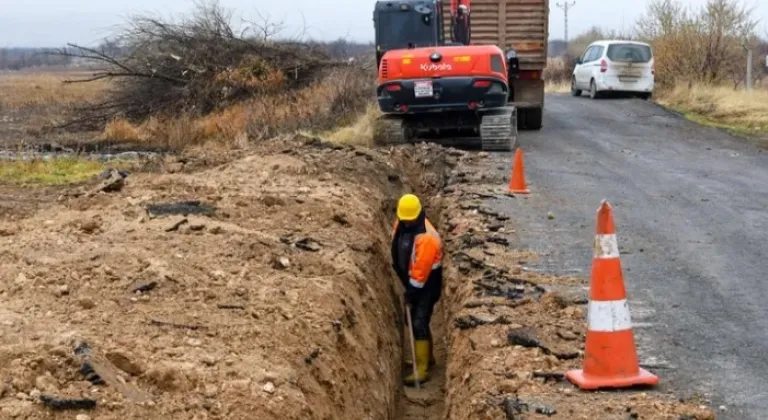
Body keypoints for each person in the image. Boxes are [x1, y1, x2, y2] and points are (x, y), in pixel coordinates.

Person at [390, 193, 443, 386]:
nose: (405, 222)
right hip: (413, 280)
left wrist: (411, 294)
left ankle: (422, 368)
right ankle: (426, 357)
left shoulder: (427, 238)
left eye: (408, 219)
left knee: (419, 320)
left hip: (427, 284)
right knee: (415, 319)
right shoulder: (402, 223)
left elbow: (421, 274)